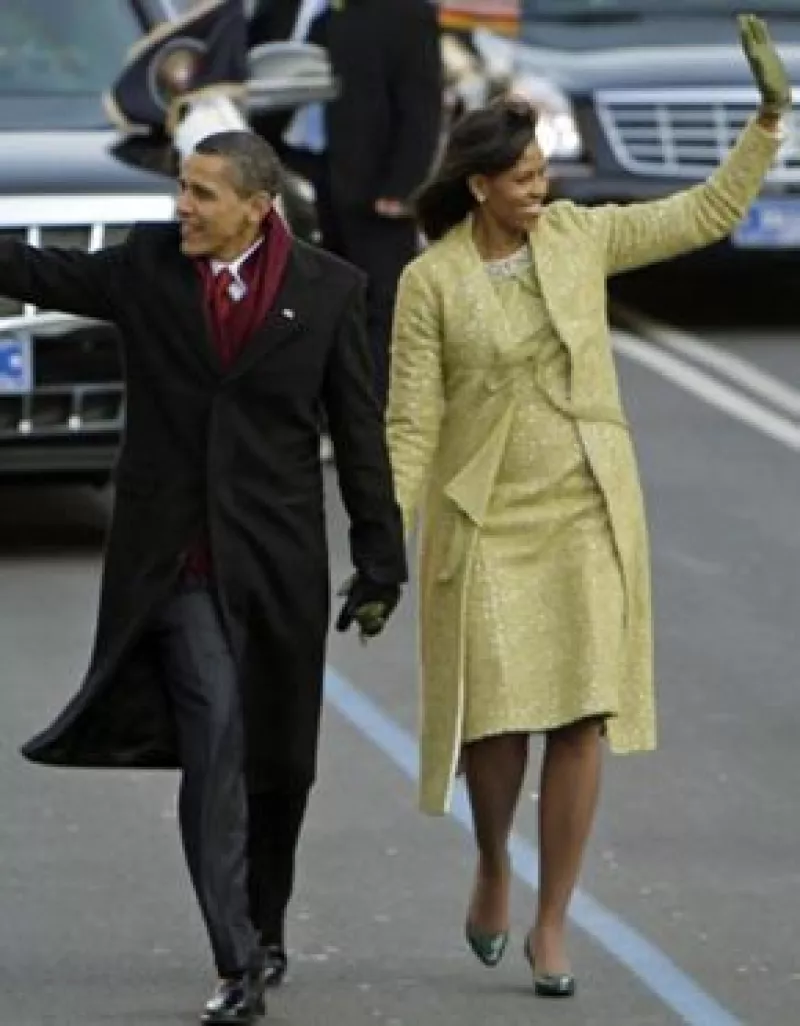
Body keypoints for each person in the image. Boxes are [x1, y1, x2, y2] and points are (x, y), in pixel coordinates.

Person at [386, 14, 790, 998]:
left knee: (577, 719)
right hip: (481, 520)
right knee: (495, 724)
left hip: (583, 505)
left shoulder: (578, 237)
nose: (541, 187)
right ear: (478, 184)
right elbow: (408, 421)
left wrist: (766, 123)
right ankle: (493, 861)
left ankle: (552, 919)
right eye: (522, 176)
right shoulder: (427, 282)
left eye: (543, 172)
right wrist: (380, 541)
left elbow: (699, 214)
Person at [15, 130, 406, 1024]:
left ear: (257, 206)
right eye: (181, 189)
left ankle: (263, 927)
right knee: (219, 747)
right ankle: (236, 962)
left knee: (281, 767)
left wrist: (381, 560)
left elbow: (358, 434)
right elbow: (37, 272)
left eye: (201, 193)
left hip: (278, 567)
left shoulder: (329, 289)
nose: (181, 207)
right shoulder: (146, 266)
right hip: (178, 565)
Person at [248, 0, 443, 405]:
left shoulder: (405, 12)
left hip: (372, 183)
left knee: (377, 301)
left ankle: (371, 413)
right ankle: (313, 405)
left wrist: (403, 185)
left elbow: (420, 104)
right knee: (304, 300)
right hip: (292, 170)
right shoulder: (277, 9)